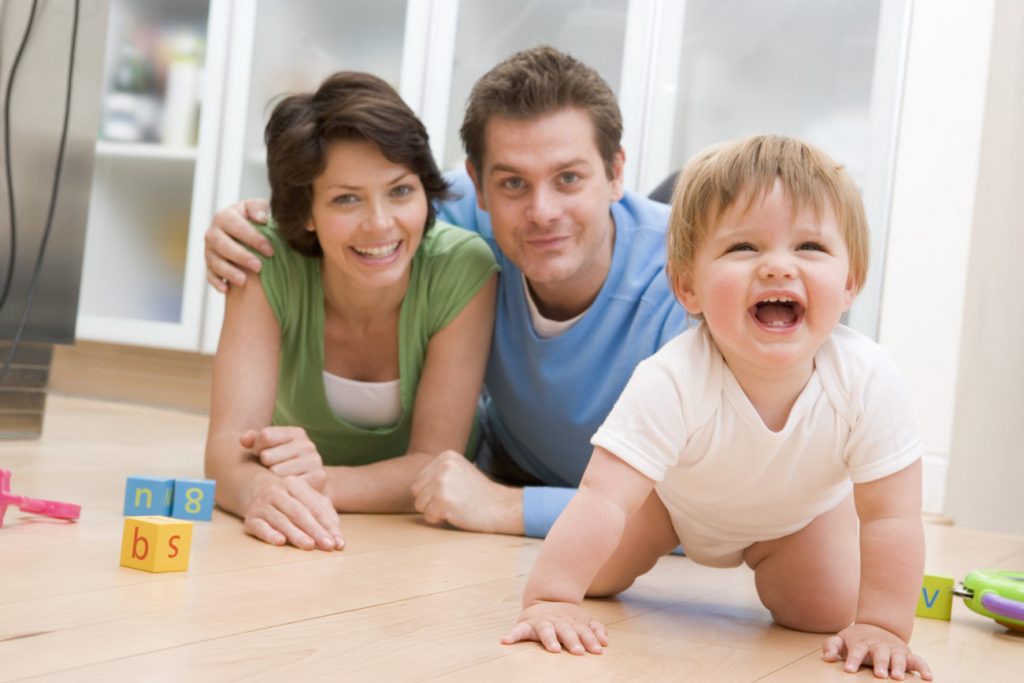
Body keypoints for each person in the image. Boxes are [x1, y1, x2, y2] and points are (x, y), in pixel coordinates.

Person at [203, 46, 689, 538]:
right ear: (478, 185)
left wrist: (509, 506)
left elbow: (704, 514)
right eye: (513, 183)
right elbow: (355, 198)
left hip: (589, 516)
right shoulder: (442, 211)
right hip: (499, 468)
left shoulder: (690, 279)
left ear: (616, 172)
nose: (542, 212)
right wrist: (239, 228)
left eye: (568, 178)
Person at [500, 134, 932, 681]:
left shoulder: (867, 378)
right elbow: (602, 497)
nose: (778, 267)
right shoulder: (673, 377)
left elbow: (892, 515)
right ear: (688, 287)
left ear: (849, 283)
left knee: (822, 612)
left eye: (809, 247)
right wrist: (550, 598)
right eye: (744, 247)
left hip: (797, 519)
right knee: (594, 577)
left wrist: (884, 626)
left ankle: (818, 537)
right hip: (667, 506)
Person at [204, 71, 498, 551]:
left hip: (423, 526)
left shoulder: (462, 267)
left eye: (400, 191)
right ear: (306, 211)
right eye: (346, 199)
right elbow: (225, 451)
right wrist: (258, 489)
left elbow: (434, 461)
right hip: (315, 513)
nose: (379, 224)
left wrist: (318, 484)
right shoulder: (266, 261)